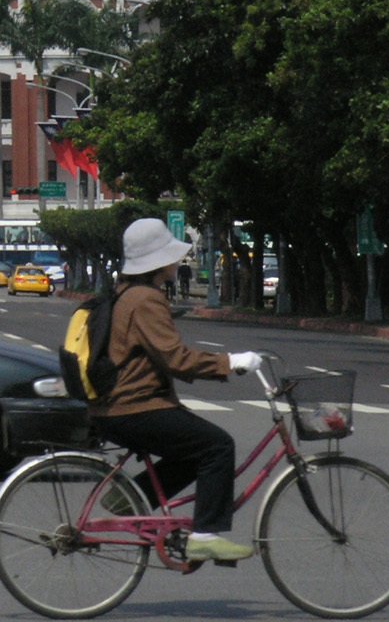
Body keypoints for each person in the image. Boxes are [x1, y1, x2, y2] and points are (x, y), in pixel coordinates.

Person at [92, 217, 263, 565]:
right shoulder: (145, 300)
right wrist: (229, 362)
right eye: (171, 255)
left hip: (120, 406)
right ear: (159, 261)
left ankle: (129, 497)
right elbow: (176, 358)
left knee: (193, 453)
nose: (176, 262)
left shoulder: (126, 292)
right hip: (134, 407)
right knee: (218, 446)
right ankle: (204, 535)